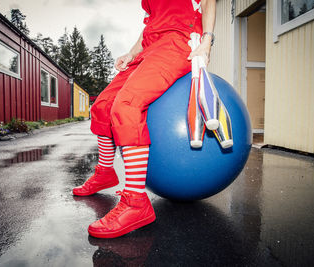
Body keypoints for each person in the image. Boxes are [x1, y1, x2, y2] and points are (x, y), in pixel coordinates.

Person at [72, 0, 216, 239]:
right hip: (150, 47)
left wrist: (207, 42)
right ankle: (105, 172)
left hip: (178, 43)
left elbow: (209, 1)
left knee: (126, 104)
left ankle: (136, 202)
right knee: (102, 106)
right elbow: (152, 23)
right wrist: (131, 52)